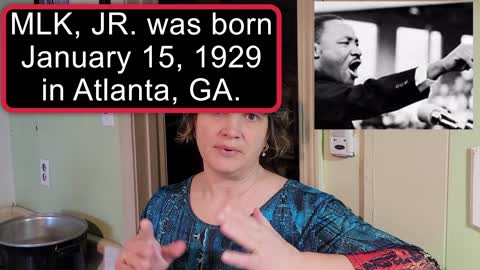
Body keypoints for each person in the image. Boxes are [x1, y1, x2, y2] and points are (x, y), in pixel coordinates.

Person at [115, 111, 440, 270]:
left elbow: (421, 265)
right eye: (217, 109)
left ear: (269, 134)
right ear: (192, 121)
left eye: (252, 115)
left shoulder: (310, 211)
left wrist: (299, 264)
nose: (231, 129)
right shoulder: (162, 204)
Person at [314, 14, 473, 129]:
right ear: (314, 51)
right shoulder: (313, 94)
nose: (358, 51)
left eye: (356, 43)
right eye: (345, 43)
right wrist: (441, 66)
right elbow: (371, 95)